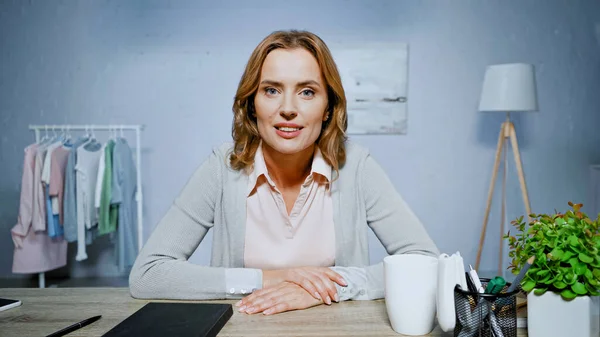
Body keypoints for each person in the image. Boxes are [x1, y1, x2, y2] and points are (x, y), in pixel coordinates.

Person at [128, 29, 439, 316]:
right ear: (252, 104)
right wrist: (272, 279)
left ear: (328, 106)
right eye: (272, 90)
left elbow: (426, 262)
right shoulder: (221, 168)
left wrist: (323, 287)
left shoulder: (356, 167)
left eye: (306, 92)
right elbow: (148, 275)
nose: (288, 108)